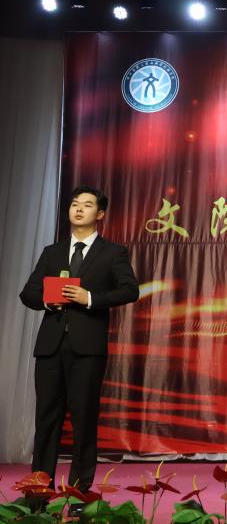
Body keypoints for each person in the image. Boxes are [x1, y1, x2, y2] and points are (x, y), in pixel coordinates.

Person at [19, 185, 140, 495]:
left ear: (100, 214)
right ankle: (38, 493)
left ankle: (78, 493)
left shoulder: (112, 252)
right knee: (46, 420)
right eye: (75, 204)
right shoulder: (52, 252)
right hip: (50, 347)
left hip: (87, 350)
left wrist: (90, 298)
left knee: (84, 420)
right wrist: (47, 301)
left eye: (87, 205)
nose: (79, 209)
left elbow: (130, 290)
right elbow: (28, 293)